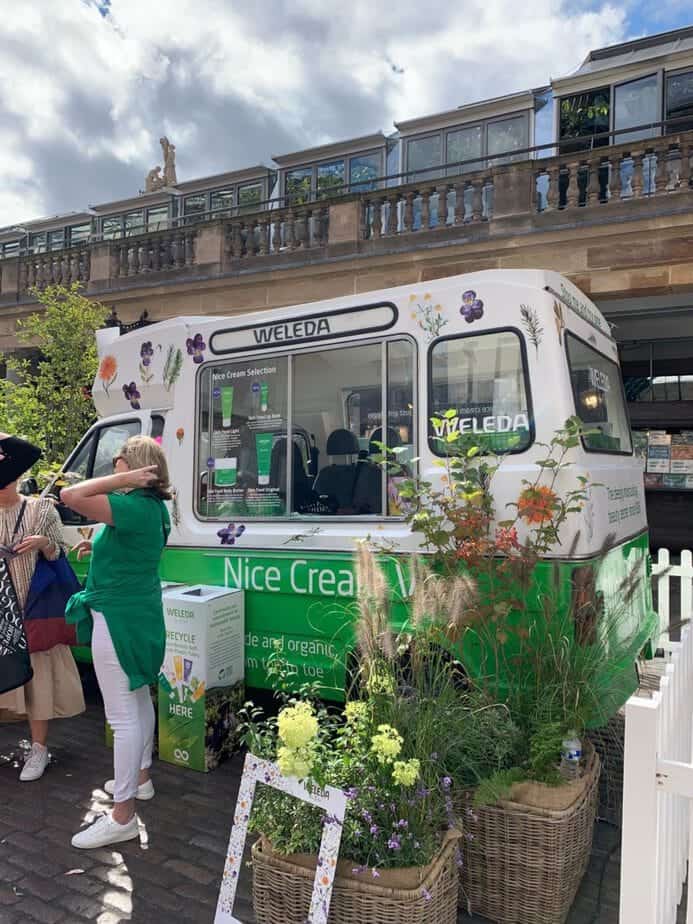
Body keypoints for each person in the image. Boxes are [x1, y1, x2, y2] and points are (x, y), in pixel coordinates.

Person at [62, 435, 171, 850]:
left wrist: (119, 481)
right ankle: (140, 779)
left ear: (136, 467)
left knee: (122, 717)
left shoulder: (132, 505)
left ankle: (123, 814)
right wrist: (99, 547)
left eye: (119, 460)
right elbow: (132, 551)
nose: (113, 465)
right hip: (139, 615)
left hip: (119, 620)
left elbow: (70, 495)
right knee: (138, 698)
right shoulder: (154, 508)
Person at [0, 434, 85, 780]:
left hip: (33, 608)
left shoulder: (40, 509)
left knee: (39, 682)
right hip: (1, 613)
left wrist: (44, 543)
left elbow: (59, 554)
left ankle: (39, 749)